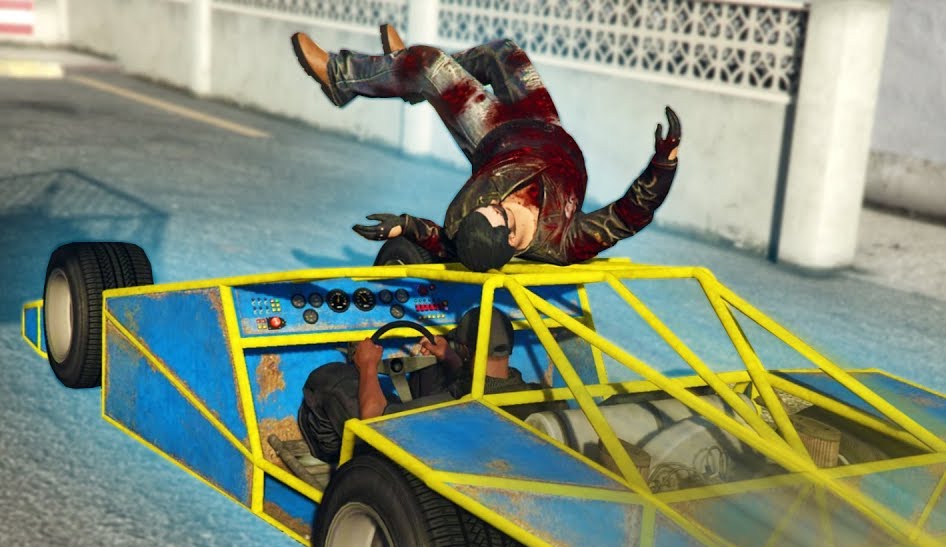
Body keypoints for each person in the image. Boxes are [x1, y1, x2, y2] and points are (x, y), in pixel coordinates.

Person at [291, 25, 682, 271]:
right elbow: (627, 217)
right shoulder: (564, 240)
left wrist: (406, 225)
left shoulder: (466, 219)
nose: (495, 200)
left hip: (493, 137)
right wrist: (663, 164)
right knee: (502, 53)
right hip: (544, 125)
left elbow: (445, 242)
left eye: (490, 206)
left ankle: (346, 78)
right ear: (511, 237)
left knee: (430, 64)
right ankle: (402, 74)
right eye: (499, 209)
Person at [297, 306, 534, 464]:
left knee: (327, 378)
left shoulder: (452, 407)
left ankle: (339, 455)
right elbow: (482, 382)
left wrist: (367, 365)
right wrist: (451, 358)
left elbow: (374, 422)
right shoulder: (533, 395)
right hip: (478, 449)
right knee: (432, 368)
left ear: (465, 349)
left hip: (417, 452)